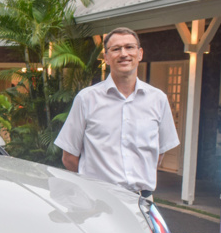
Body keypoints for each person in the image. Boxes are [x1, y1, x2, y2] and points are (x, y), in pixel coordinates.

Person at [54, 27, 179, 196]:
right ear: (106, 57)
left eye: (129, 47)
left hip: (141, 201)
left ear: (140, 53)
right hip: (98, 201)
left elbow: (159, 153)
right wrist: (93, 190)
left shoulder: (158, 100)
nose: (123, 54)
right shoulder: (86, 99)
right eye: (116, 49)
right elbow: (69, 156)